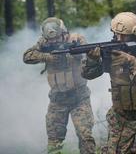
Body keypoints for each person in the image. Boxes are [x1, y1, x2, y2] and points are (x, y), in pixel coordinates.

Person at [81, 12, 136, 154]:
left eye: (124, 35)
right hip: (121, 119)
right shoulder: (113, 53)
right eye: (117, 34)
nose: (119, 39)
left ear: (135, 35)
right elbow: (89, 75)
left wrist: (130, 62)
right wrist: (92, 60)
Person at [23, 17, 95, 154]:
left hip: (79, 98)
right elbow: (27, 56)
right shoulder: (43, 42)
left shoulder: (77, 39)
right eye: (51, 40)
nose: (54, 42)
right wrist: (46, 57)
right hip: (57, 100)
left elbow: (90, 56)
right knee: (54, 141)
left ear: (63, 32)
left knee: (85, 137)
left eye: (57, 38)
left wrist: (82, 56)